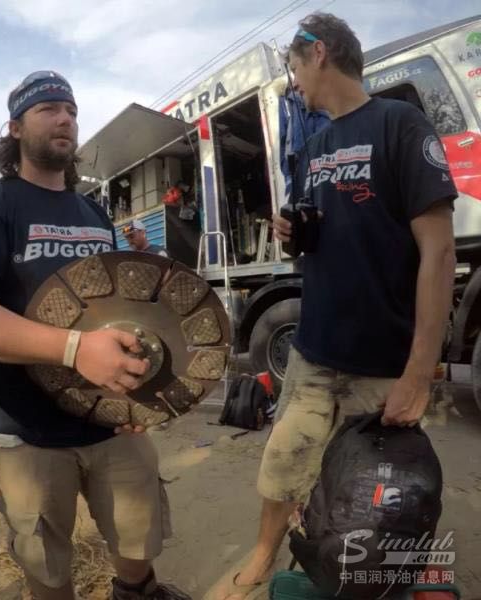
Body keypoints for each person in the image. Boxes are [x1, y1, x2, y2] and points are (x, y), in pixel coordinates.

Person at [211, 13, 456, 600]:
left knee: (377, 491)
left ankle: (377, 574)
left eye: (293, 67)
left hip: (382, 362)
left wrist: (418, 372)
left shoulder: (400, 123)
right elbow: (316, 235)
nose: (293, 82)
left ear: (318, 53)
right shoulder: (314, 145)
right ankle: (265, 554)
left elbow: (439, 249)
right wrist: (290, 234)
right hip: (314, 352)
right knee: (283, 463)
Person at [0, 70, 191, 600]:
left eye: (70, 109)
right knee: (46, 563)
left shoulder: (92, 210)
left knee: (139, 537)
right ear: (15, 128)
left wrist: (137, 395)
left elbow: (118, 309)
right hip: (26, 428)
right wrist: (74, 350)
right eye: (48, 109)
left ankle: (136, 592)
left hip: (110, 421)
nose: (65, 118)